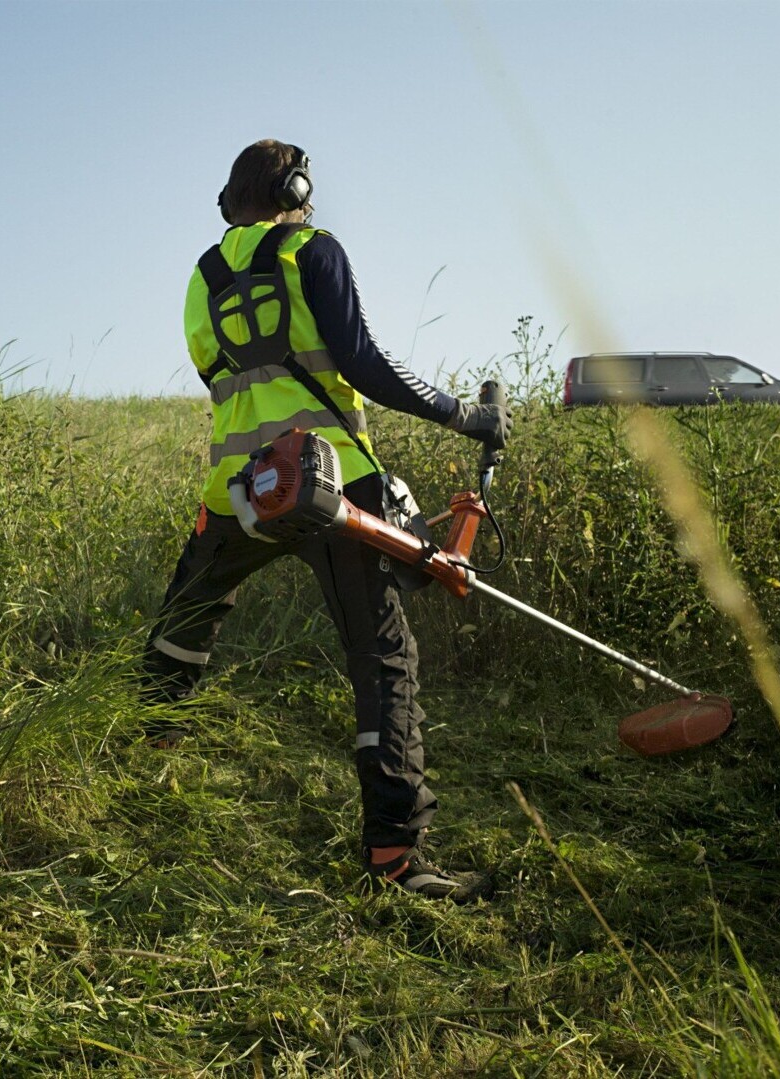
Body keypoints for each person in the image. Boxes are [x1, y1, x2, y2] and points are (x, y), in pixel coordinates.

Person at [140, 139, 509, 903]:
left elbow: (218, 375)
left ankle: (140, 781)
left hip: (237, 488)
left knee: (182, 628)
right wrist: (468, 417)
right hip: (335, 482)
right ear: (296, 188)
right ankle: (395, 858)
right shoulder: (315, 249)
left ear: (230, 201)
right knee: (381, 660)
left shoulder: (202, 278)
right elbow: (364, 362)